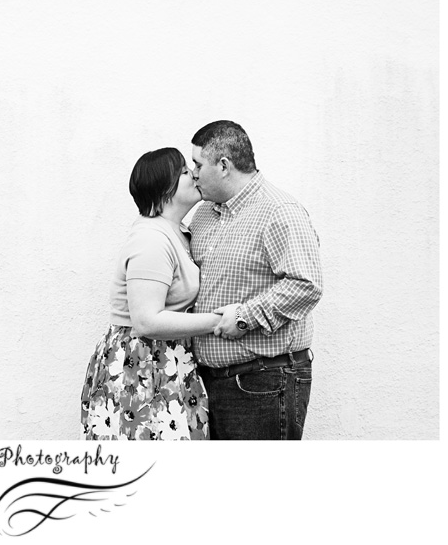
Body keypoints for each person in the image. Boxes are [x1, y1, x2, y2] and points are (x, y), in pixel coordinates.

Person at [189, 120, 323, 440]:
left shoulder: (280, 211)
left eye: (197, 164)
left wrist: (245, 317)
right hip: (210, 383)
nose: (193, 173)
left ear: (224, 166)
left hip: (262, 382)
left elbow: (306, 285)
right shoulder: (205, 213)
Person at [81, 148, 224, 440]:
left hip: (164, 362)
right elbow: (147, 321)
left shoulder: (176, 232)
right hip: (141, 366)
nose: (195, 174)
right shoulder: (152, 240)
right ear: (165, 188)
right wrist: (218, 320)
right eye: (185, 171)